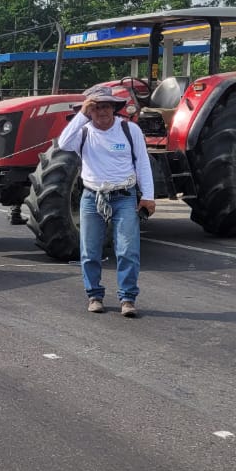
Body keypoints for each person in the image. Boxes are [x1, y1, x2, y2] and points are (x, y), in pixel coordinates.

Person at [55, 88, 155, 317]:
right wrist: (82, 113)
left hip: (124, 196)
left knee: (128, 250)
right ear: (90, 111)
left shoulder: (130, 130)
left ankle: (128, 299)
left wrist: (148, 196)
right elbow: (62, 143)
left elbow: (142, 164)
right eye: (96, 107)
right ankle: (94, 295)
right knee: (90, 251)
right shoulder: (83, 132)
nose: (102, 111)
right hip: (92, 197)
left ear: (113, 108)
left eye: (106, 106)